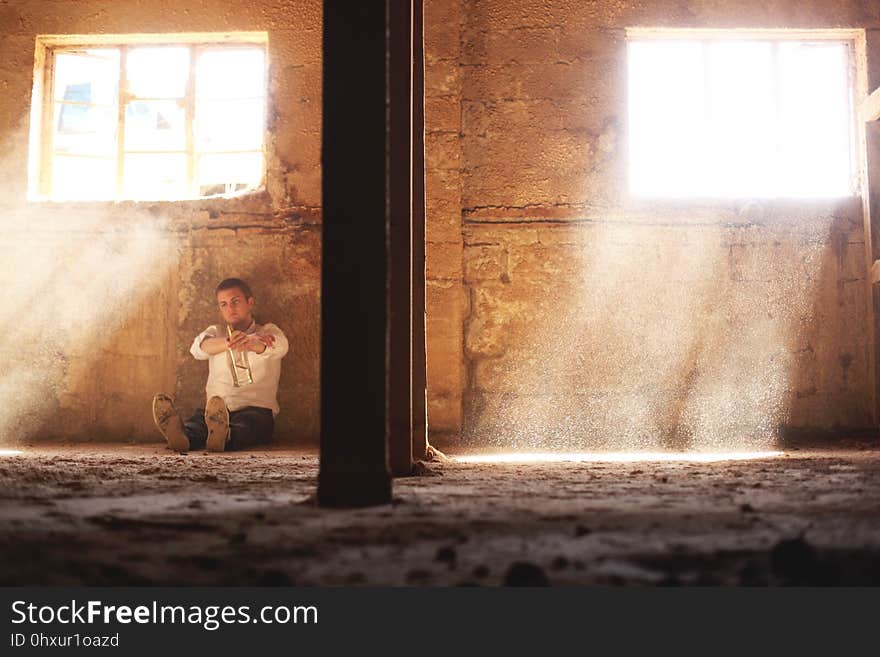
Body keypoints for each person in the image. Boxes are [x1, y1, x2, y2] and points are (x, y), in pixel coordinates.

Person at [151, 278, 289, 453]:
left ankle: (226, 436)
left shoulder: (267, 331)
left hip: (255, 410)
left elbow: (281, 346)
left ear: (250, 302)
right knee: (197, 424)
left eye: (235, 301)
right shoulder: (216, 332)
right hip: (214, 411)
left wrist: (251, 342)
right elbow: (198, 348)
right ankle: (182, 437)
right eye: (223, 304)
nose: (230, 308)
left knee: (249, 426)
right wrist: (230, 341)